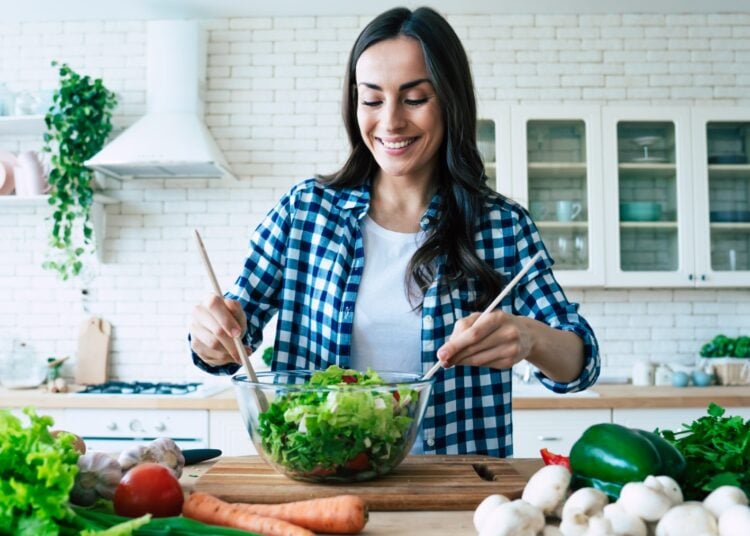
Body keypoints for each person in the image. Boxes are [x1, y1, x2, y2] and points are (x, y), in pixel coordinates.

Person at [189, 6, 599, 457]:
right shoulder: (304, 211)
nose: (390, 122)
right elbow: (231, 337)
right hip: (321, 483)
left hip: (454, 492)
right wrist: (212, 338)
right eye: (372, 99)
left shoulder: (502, 225)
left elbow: (580, 363)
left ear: (451, 101)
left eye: (415, 98)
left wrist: (530, 338)